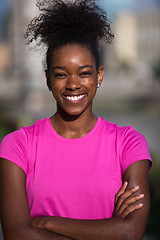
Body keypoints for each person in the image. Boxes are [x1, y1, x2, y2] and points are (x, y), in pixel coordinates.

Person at [0, 0, 152, 239]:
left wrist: (45, 222)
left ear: (98, 75)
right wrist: (107, 230)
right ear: (48, 78)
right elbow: (17, 234)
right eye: (61, 74)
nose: (73, 84)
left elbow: (130, 232)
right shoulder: (17, 145)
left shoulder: (129, 143)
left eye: (84, 73)